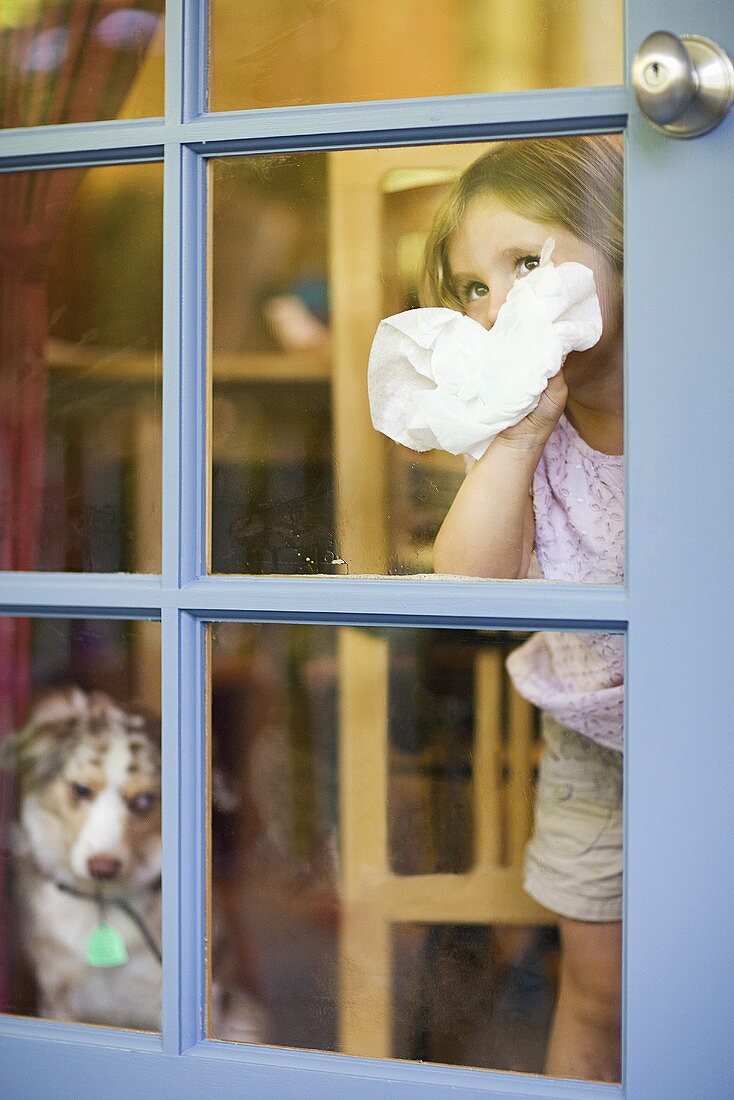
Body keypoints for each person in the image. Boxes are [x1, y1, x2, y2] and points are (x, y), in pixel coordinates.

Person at [423, 136, 624, 1082]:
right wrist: (521, 433)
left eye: (527, 264)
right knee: (601, 991)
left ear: (624, 248)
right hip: (596, 740)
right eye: (470, 287)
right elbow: (468, 587)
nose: (496, 304)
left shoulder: (703, 391)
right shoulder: (521, 427)